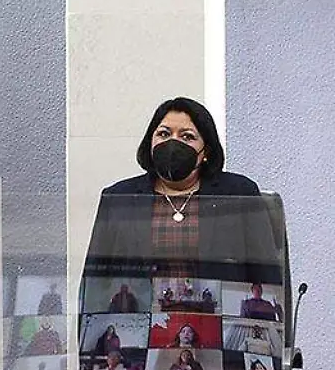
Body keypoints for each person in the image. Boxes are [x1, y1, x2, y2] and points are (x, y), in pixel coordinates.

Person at [83, 97, 280, 292]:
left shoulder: (239, 194)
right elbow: (94, 283)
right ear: (150, 142)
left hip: (214, 310)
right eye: (164, 134)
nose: (173, 143)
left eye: (187, 137)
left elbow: (267, 277)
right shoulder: (120, 198)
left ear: (206, 151)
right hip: (138, 310)